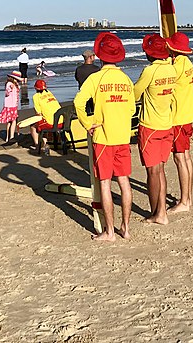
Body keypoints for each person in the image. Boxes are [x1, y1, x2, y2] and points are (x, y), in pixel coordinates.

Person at [73, 32, 135, 242]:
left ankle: (110, 232)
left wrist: (88, 123)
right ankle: (125, 228)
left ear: (99, 56)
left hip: (103, 137)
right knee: (124, 182)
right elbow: (131, 108)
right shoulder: (125, 79)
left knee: (106, 184)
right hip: (122, 136)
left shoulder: (96, 78)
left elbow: (79, 102)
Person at [133, 33, 176, 225]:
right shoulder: (171, 69)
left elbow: (135, 93)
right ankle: (162, 212)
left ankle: (156, 213)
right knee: (160, 169)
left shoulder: (150, 71)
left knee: (152, 172)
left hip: (150, 125)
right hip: (167, 124)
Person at [166, 32, 193, 214]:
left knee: (180, 158)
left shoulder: (176, 66)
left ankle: (185, 201)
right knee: (186, 156)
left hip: (178, 116)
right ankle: (187, 197)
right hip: (188, 114)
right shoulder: (187, 63)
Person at [30, 79, 62, 155]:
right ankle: (49, 141)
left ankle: (39, 146)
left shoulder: (36, 96)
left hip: (51, 123)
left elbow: (38, 113)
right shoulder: (49, 93)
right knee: (43, 123)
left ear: (36, 88)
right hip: (61, 121)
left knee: (33, 126)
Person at [0, 70, 22, 143]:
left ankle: (8, 137)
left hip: (14, 105)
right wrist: (10, 88)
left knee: (10, 121)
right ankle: (11, 136)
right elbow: (7, 92)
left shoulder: (16, 84)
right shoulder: (9, 84)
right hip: (10, 105)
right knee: (12, 121)